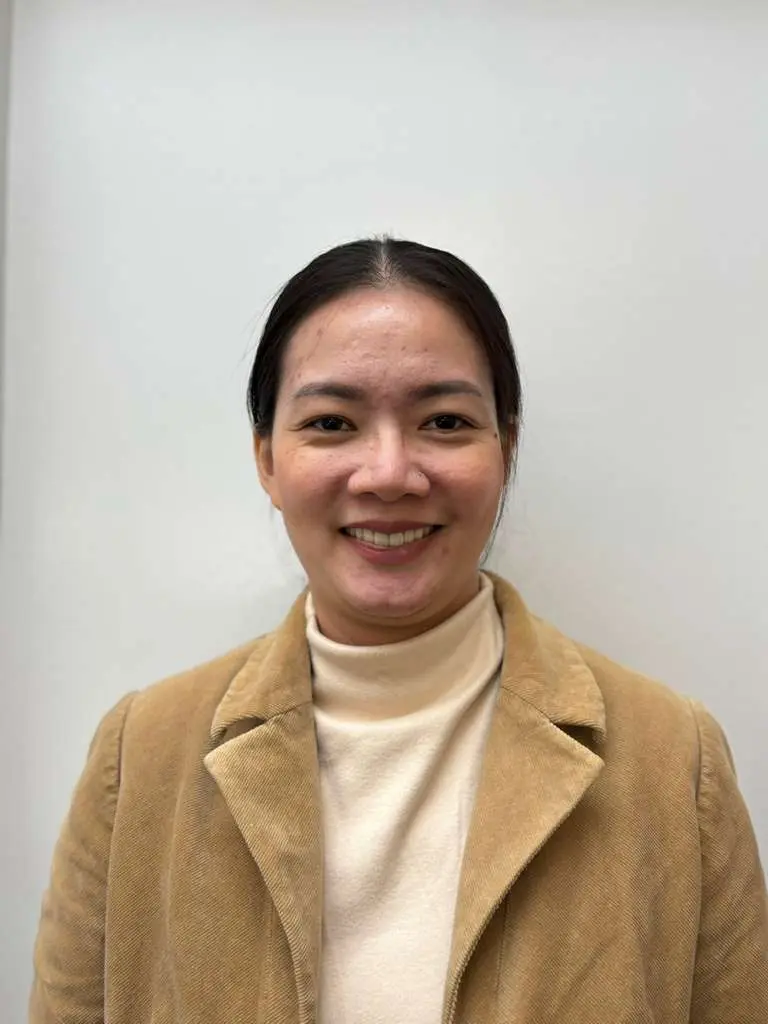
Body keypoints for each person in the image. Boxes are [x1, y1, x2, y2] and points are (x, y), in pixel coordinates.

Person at [30, 237, 767, 1024]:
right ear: (267, 459)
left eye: (444, 421)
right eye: (332, 422)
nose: (388, 474)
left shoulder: (671, 760)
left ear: (507, 448)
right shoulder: (140, 759)